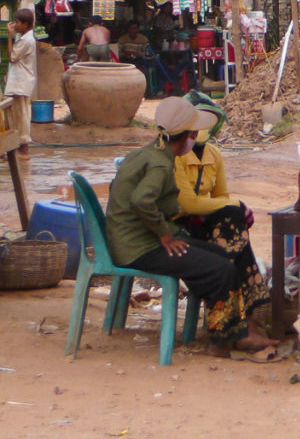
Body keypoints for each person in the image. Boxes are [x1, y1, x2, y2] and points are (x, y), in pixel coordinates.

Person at [105, 97, 277, 357]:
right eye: (193, 133)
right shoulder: (162, 164)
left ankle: (234, 331)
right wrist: (164, 234)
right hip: (139, 248)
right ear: (187, 136)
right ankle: (223, 341)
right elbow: (141, 200)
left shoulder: (150, 153)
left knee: (221, 255)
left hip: (136, 241)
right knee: (219, 269)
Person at [173, 104, 269, 349]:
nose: (196, 145)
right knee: (233, 219)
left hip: (208, 223)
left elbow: (221, 195)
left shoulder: (214, 155)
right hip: (181, 225)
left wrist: (230, 205)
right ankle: (240, 320)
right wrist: (234, 204)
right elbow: (188, 204)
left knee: (232, 225)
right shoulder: (175, 157)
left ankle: (237, 320)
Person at [5, 8, 36, 157]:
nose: (16, 25)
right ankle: (17, 146)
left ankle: (23, 147)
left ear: (25, 24)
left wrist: (9, 37)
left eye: (18, 22)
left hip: (21, 82)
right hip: (19, 81)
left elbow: (12, 57)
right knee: (17, 115)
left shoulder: (27, 40)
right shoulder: (24, 37)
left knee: (21, 115)